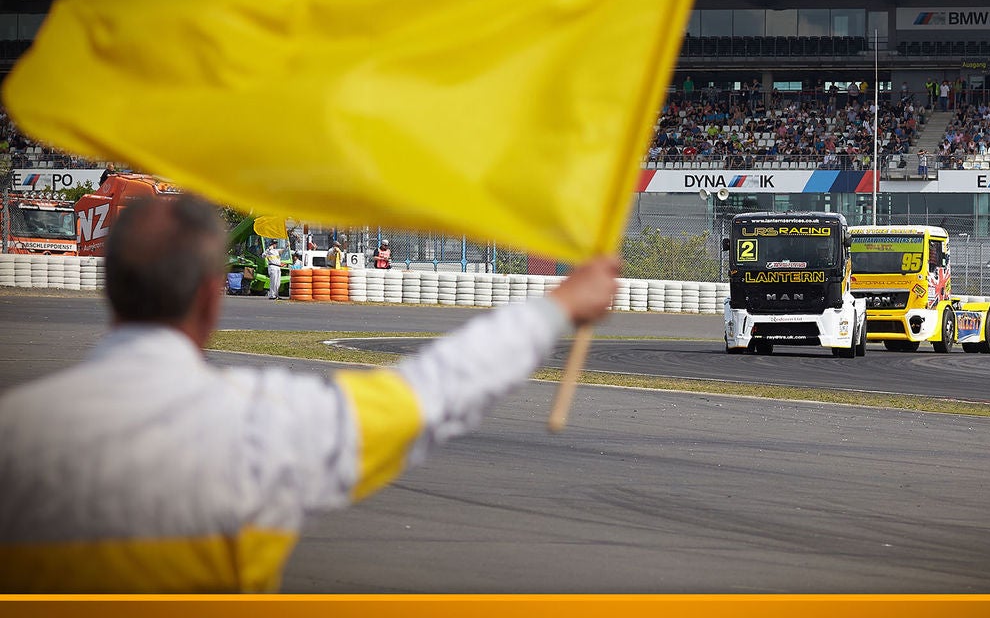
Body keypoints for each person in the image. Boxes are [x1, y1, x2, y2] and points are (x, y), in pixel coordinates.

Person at [0, 194, 619, 593]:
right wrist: (558, 306)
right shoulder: (264, 426)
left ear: (108, 288)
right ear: (214, 297)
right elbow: (434, 390)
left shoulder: (16, 432)